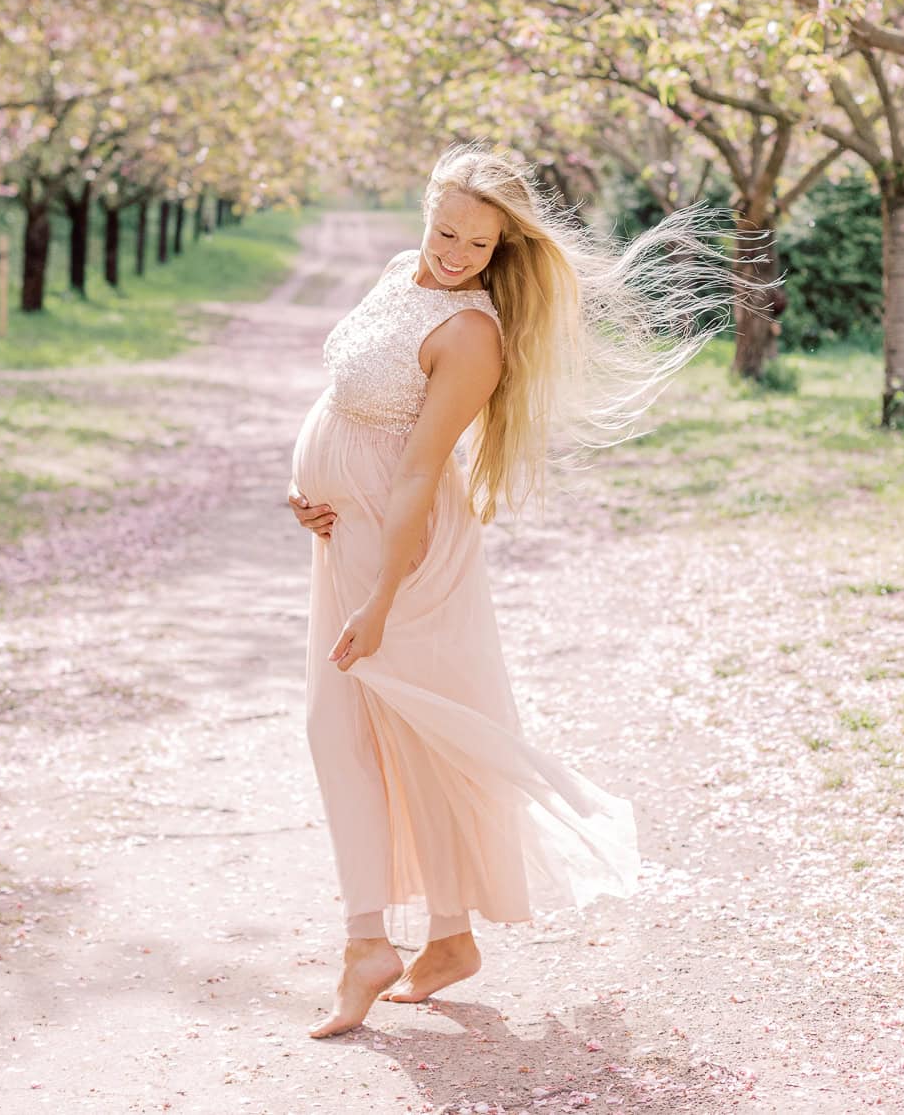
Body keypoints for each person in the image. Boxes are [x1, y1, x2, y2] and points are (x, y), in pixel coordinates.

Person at [287, 142, 731, 1039]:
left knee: (367, 729)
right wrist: (307, 487)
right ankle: (444, 939)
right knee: (381, 733)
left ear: (501, 250)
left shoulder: (472, 334)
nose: (455, 255)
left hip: (399, 547)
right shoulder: (397, 276)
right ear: (426, 209)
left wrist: (378, 599)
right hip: (348, 532)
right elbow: (348, 394)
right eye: (448, 231)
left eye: (479, 246)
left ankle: (366, 943)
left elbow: (417, 473)